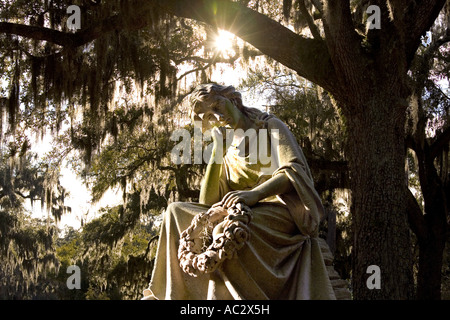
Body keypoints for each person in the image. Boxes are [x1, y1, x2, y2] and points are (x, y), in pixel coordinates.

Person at [142, 83, 335, 300]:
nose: (215, 116)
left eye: (217, 105)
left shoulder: (269, 126)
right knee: (175, 212)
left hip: (278, 210)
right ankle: (172, 296)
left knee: (225, 230)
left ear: (232, 99)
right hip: (238, 211)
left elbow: (293, 171)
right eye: (207, 117)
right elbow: (207, 203)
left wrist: (255, 194)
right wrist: (217, 151)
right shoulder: (226, 147)